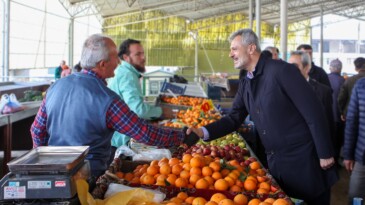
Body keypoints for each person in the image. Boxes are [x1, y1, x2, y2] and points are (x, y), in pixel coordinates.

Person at [187, 28, 338, 204]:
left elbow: (314, 111)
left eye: (234, 49)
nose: (230, 54)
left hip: (304, 162)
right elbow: (234, 118)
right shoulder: (246, 81)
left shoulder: (282, 71)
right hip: (277, 164)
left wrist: (325, 152)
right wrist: (201, 132)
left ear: (251, 48)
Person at [30, 34, 199, 179]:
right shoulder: (107, 99)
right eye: (115, 58)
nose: (118, 63)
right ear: (103, 64)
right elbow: (143, 133)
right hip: (89, 175)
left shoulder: (56, 87)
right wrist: (181, 136)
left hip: (56, 172)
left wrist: (47, 160)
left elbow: (37, 130)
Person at [108, 39, 162, 149]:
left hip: (115, 137)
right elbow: (138, 109)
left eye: (143, 53)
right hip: (119, 141)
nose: (143, 58)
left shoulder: (123, 71)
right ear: (125, 57)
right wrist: (161, 111)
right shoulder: (127, 76)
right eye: (138, 54)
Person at [288, 50, 335, 155]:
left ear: (307, 68)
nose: (289, 70)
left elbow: (328, 124)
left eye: (295, 66)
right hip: (289, 150)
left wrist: (327, 153)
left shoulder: (323, 91)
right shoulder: (280, 89)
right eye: (288, 66)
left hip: (313, 150)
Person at [343, 77, 365, 203]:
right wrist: (348, 154)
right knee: (355, 196)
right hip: (362, 156)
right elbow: (352, 121)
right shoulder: (361, 85)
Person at [328, 59, 345, 164]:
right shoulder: (343, 81)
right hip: (338, 116)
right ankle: (335, 160)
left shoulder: (324, 78)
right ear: (340, 69)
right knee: (337, 140)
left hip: (326, 115)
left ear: (330, 67)